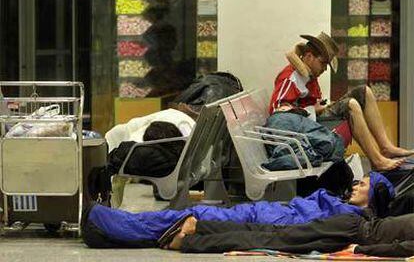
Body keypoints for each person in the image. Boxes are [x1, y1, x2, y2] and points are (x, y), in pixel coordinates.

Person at [81, 172, 394, 248]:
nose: (354, 186)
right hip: (264, 213)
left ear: (373, 197)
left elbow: (300, 226)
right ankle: (115, 224)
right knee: (181, 215)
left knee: (185, 216)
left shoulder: (347, 217)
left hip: (260, 218)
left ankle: (105, 224)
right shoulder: (342, 208)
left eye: (362, 184)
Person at [268, 32, 413, 171]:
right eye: (323, 63)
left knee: (364, 92)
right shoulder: (291, 77)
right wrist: (312, 110)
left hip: (313, 116)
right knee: (351, 105)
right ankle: (377, 160)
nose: (325, 69)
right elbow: (279, 113)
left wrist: (318, 106)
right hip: (308, 125)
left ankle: (386, 147)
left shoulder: (310, 75)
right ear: (309, 56)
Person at [165, 213, 414, 257]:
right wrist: (361, 251)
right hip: (350, 234)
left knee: (274, 233)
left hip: (350, 224)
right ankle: (190, 242)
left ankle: (201, 227)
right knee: (271, 240)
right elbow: (401, 248)